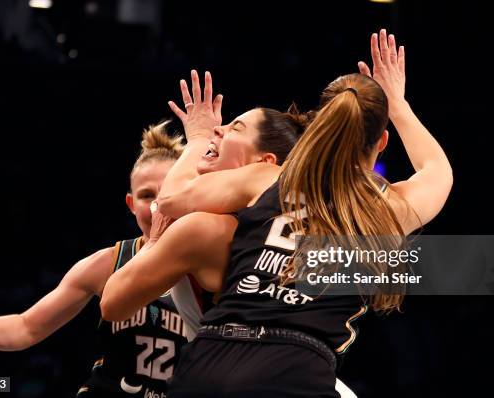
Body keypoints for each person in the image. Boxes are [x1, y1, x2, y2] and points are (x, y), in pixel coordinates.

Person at [101, 30, 453, 397]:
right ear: (381, 141)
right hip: (295, 368)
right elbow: (437, 171)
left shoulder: (270, 178)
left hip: (210, 357)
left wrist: (201, 135)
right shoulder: (388, 207)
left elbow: (171, 197)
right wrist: (396, 104)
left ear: (316, 128)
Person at [0, 122, 196, 397]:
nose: (156, 206)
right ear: (130, 204)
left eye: (165, 194)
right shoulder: (107, 264)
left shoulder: (211, 265)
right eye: (146, 195)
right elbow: (26, 327)